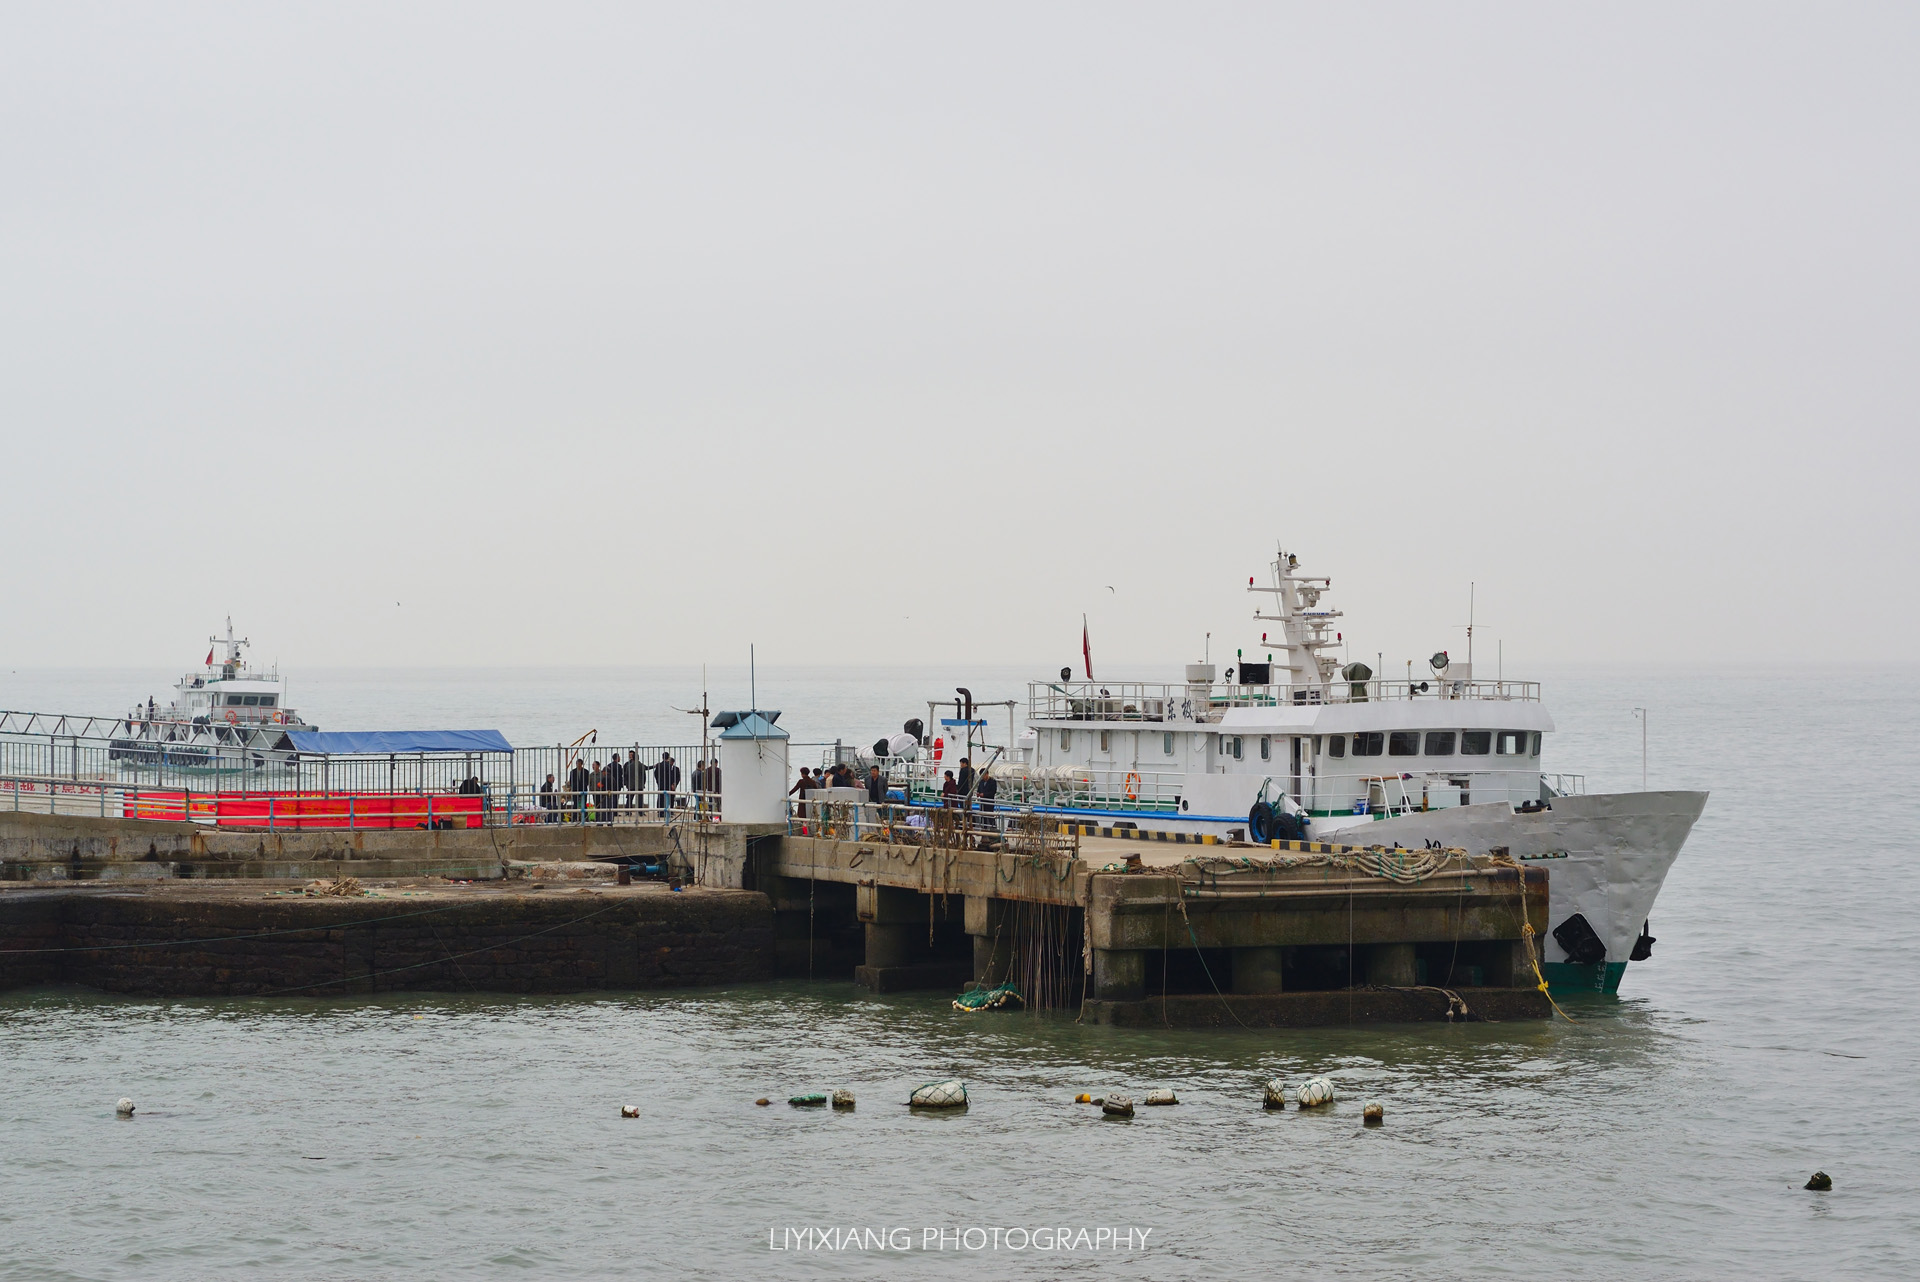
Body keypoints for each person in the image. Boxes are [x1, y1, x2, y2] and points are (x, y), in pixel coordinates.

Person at [654, 752, 681, 817]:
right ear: (668, 757)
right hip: (668, 784)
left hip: (661, 784)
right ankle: (667, 812)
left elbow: (655, 774)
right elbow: (670, 776)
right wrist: (672, 784)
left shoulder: (659, 765)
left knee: (661, 798)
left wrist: (658, 781)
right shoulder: (669, 766)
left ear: (662, 757)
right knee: (668, 798)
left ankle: (660, 812)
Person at [566, 756, 590, 823]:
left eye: (579, 764)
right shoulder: (572, 772)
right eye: (577, 764)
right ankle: (574, 818)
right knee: (575, 804)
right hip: (575, 790)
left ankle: (585, 818)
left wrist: (584, 785)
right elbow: (571, 781)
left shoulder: (586, 771)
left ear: (582, 764)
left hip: (583, 789)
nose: (578, 765)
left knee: (584, 804)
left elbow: (587, 781)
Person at [977, 767, 999, 832]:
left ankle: (993, 828)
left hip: (989, 801)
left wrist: (984, 794)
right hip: (982, 801)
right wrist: (978, 793)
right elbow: (979, 789)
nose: (982, 777)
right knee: (983, 816)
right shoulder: (981, 782)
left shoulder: (992, 781)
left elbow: (993, 792)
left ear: (987, 774)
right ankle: (984, 828)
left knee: (990, 815)